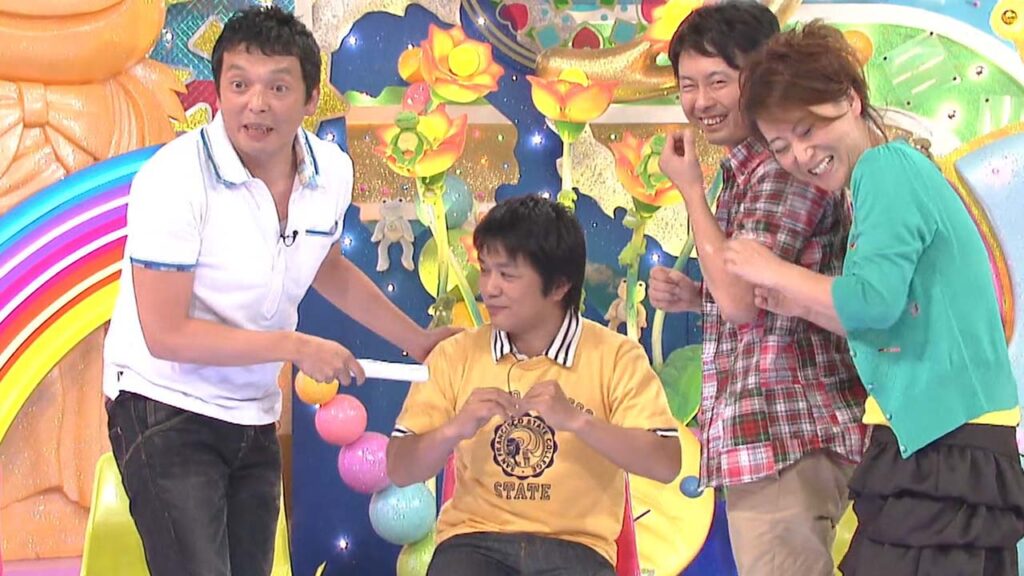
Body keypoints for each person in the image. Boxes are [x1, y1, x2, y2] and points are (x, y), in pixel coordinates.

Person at [101, 7, 455, 576]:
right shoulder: (173, 180)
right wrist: (294, 347)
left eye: (278, 87)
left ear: (311, 98)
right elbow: (166, 335)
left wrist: (415, 339)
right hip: (162, 403)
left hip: (252, 411)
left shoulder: (331, 172)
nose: (256, 104)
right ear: (219, 90)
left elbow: (324, 265)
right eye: (239, 84)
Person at [724, 20, 1024, 576]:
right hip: (937, 434)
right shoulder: (883, 176)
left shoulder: (886, 168)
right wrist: (800, 302)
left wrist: (775, 271)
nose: (800, 155)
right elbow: (893, 315)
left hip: (947, 440)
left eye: (808, 128)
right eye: (781, 146)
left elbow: (873, 304)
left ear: (850, 99)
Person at [647, 3, 869, 575]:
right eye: (688, 85)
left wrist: (691, 191)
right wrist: (698, 296)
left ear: (764, 75)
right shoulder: (749, 172)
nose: (701, 101)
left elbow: (743, 302)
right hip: (778, 438)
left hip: (783, 435)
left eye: (718, 81)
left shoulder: (779, 169)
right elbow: (766, 298)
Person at [387, 195, 681, 576]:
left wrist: (578, 421)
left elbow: (665, 463)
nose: (489, 288)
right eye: (485, 270)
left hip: (576, 550)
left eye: (507, 275)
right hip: (474, 544)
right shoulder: (455, 354)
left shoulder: (617, 356)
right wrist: (454, 429)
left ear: (559, 285)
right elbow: (400, 469)